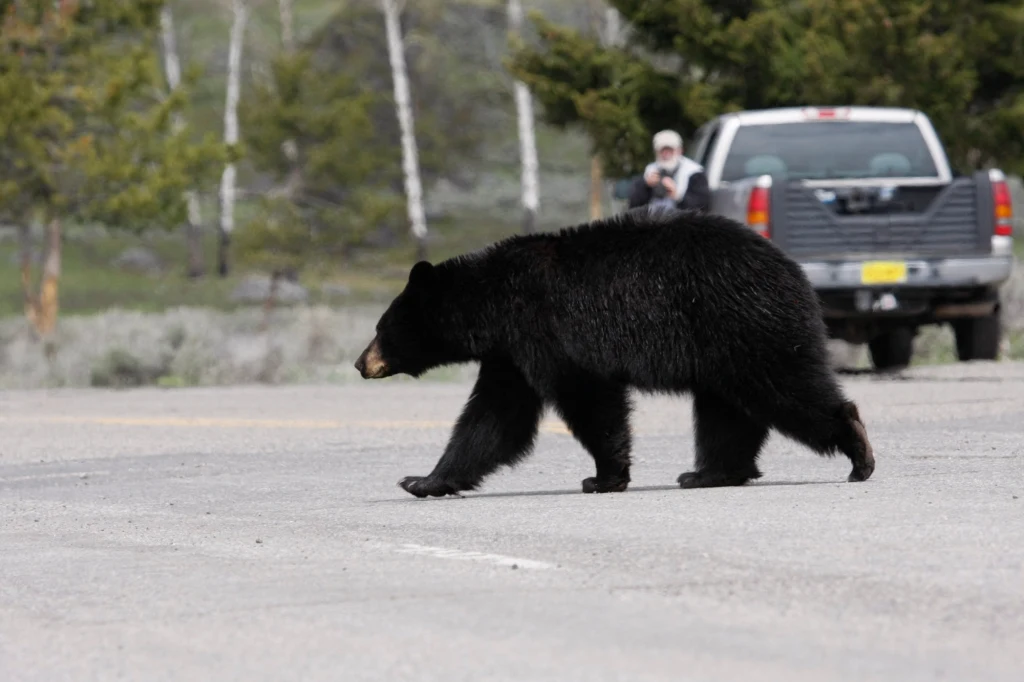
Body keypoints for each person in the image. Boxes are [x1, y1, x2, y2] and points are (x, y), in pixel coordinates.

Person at [627, 129, 711, 213]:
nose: (666, 154)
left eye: (670, 150)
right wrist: (646, 186)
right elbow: (633, 207)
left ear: (680, 151)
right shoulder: (650, 171)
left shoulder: (694, 172)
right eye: (662, 151)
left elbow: (702, 208)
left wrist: (677, 196)